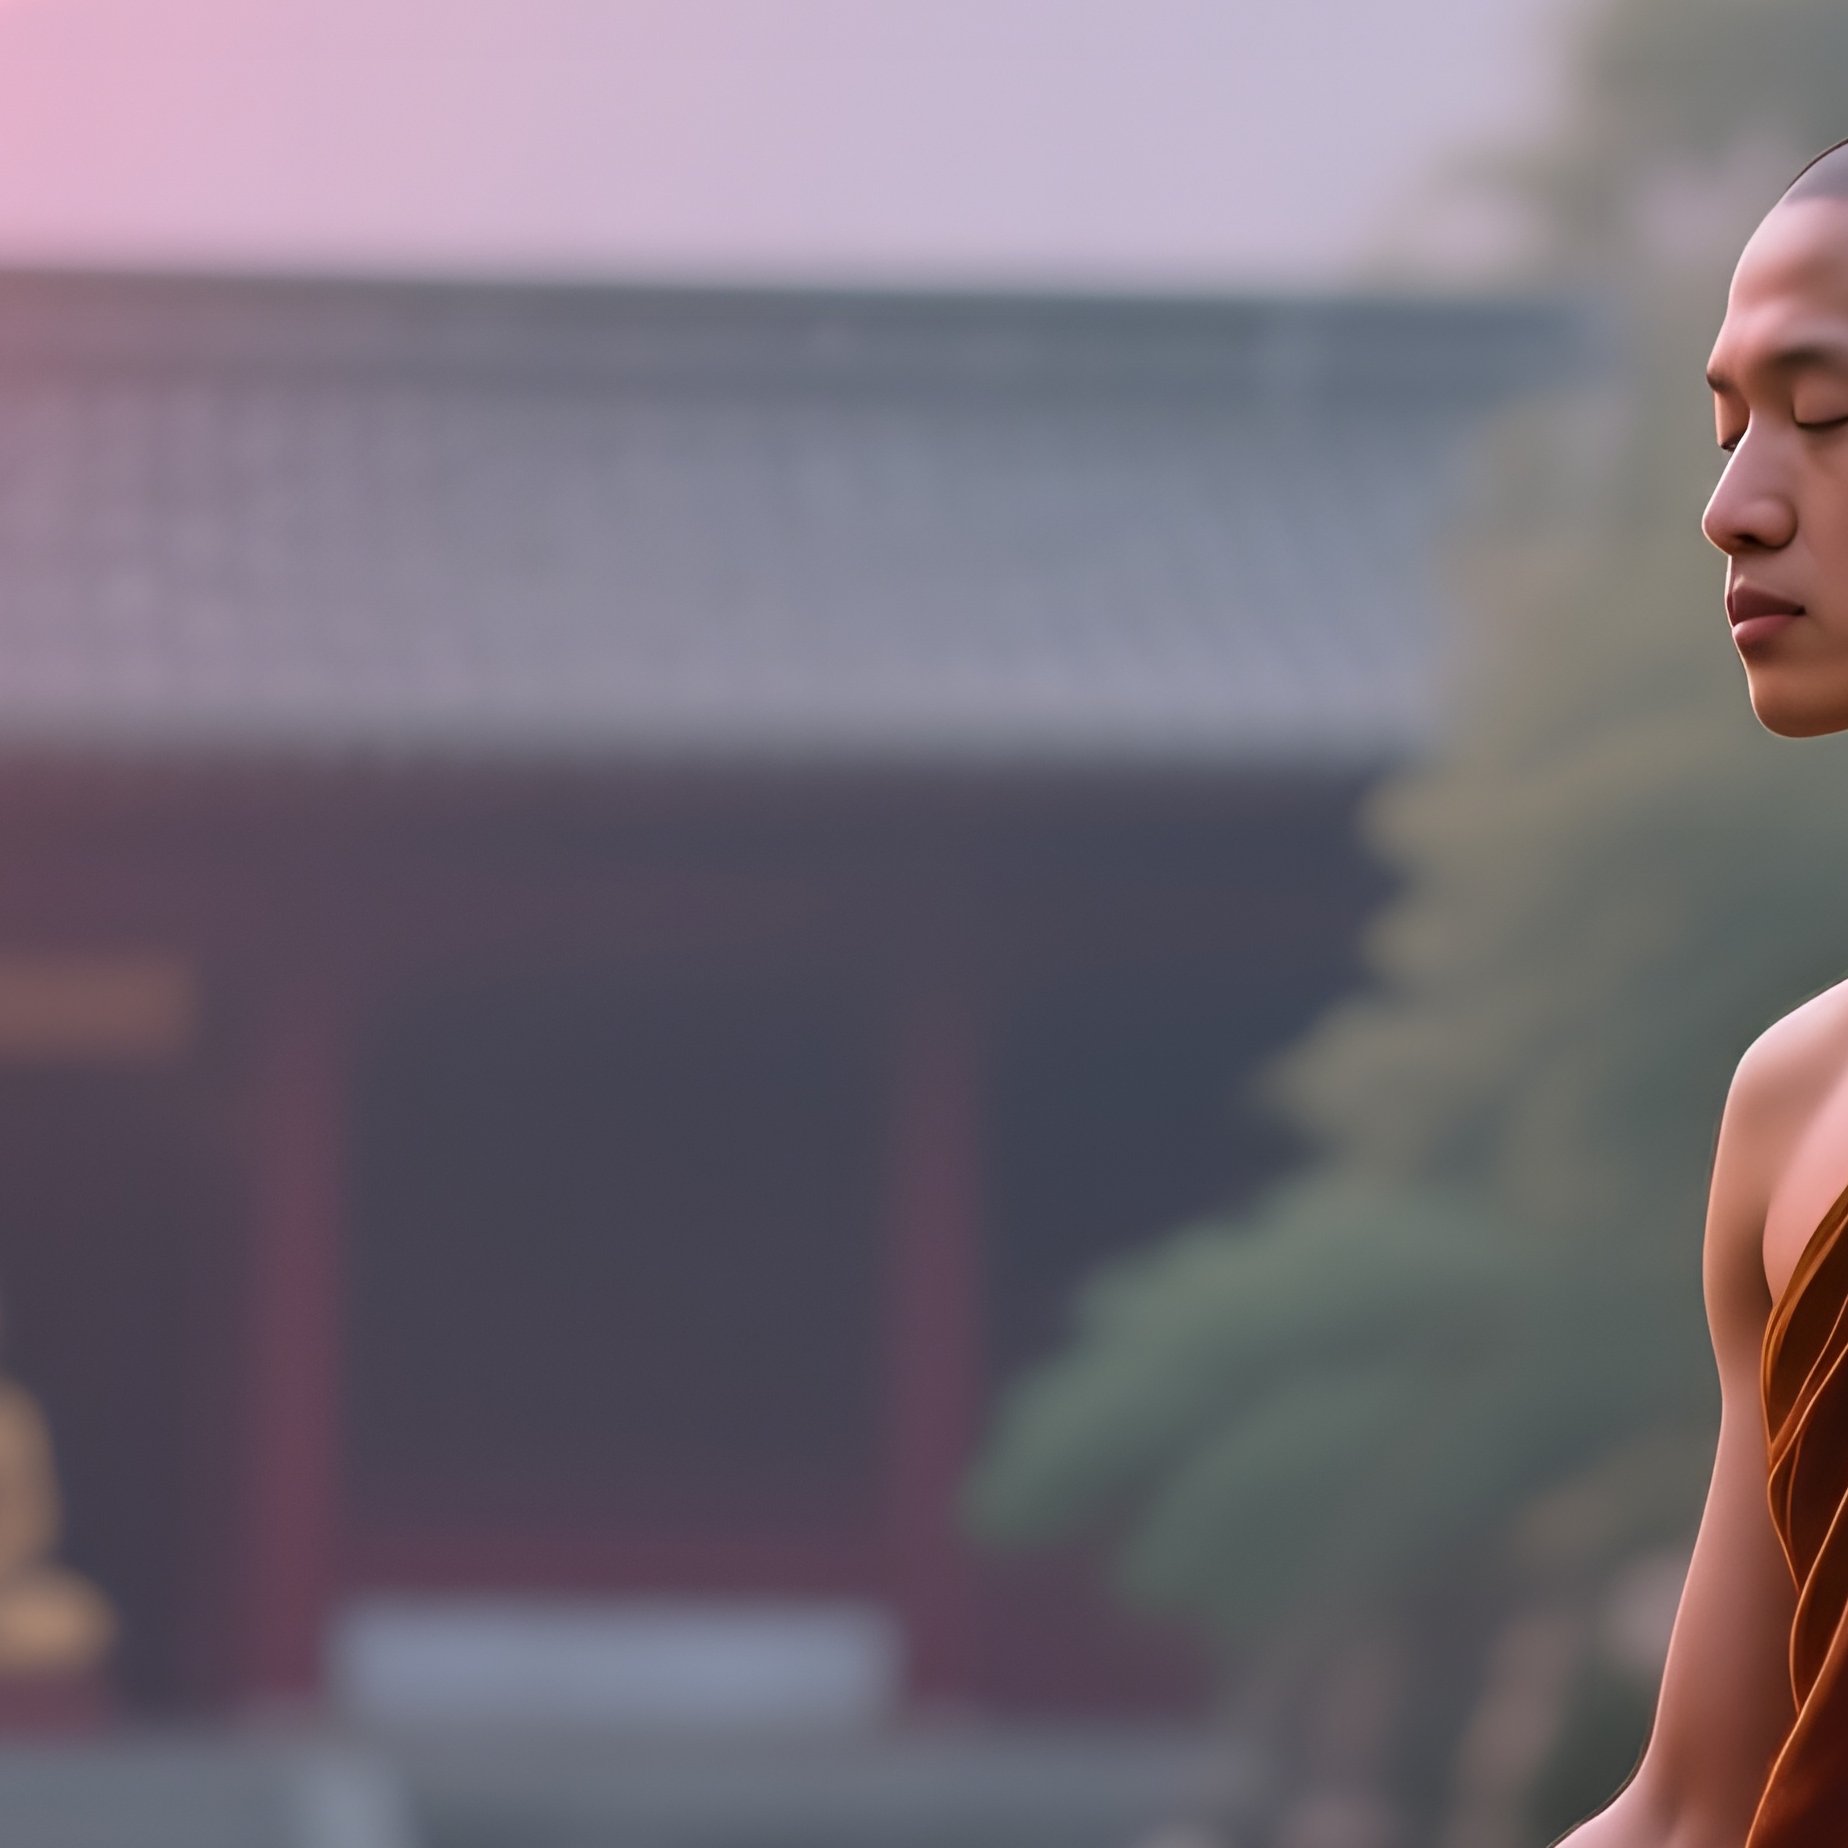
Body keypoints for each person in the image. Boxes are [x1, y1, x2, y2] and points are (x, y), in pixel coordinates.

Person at [1554, 136, 1848, 1847]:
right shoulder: (1799, 1103)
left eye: (1828, 413)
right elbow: (1695, 1806)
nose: (1735, 504)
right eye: (1728, 425)